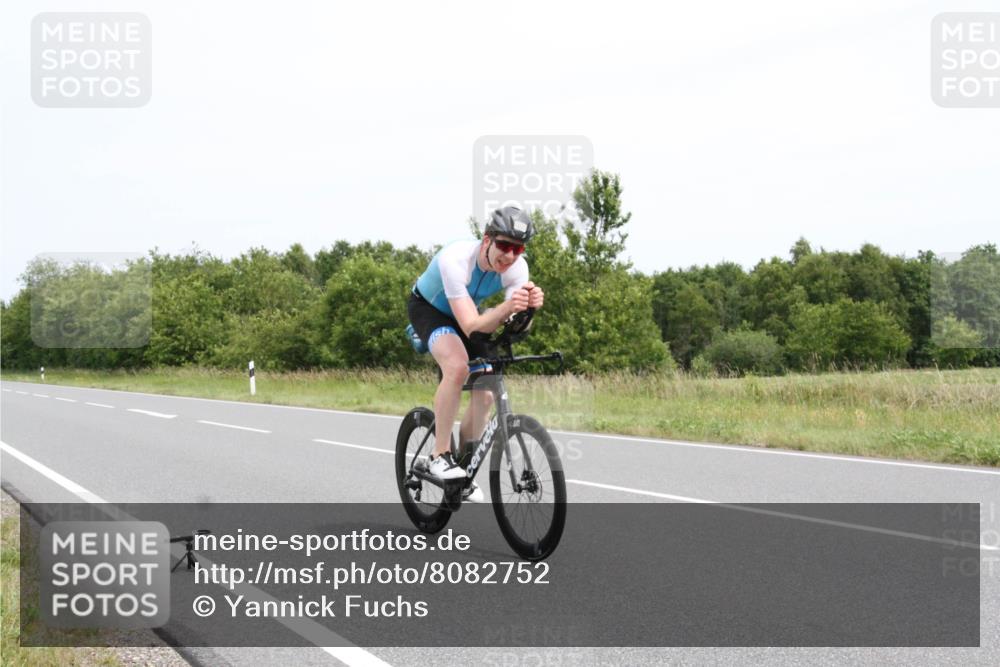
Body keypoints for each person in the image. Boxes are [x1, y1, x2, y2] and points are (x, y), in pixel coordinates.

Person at [407, 206, 544, 498]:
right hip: (430, 310)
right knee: (457, 368)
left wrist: (529, 310)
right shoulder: (455, 260)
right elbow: (470, 326)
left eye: (517, 248)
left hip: (468, 309)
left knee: (485, 387)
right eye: (504, 245)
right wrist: (508, 306)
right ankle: (438, 455)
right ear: (486, 240)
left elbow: (514, 325)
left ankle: (464, 468)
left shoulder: (518, 268)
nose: (510, 255)